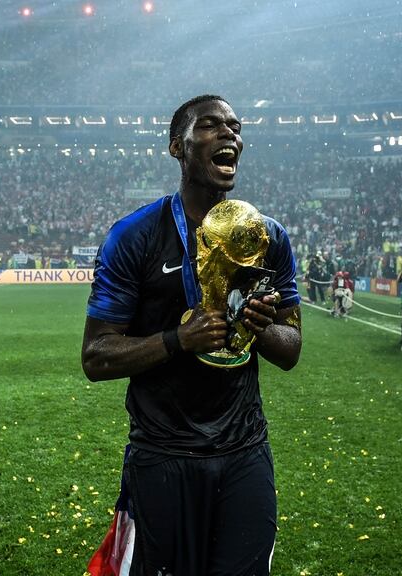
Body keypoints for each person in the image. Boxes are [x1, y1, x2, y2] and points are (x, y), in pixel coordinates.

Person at [82, 95, 302, 576]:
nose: (230, 134)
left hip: (245, 453)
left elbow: (291, 350)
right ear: (176, 147)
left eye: (236, 127)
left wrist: (259, 329)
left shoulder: (268, 236)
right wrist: (177, 340)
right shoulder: (135, 236)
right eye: (210, 125)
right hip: (163, 456)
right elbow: (96, 357)